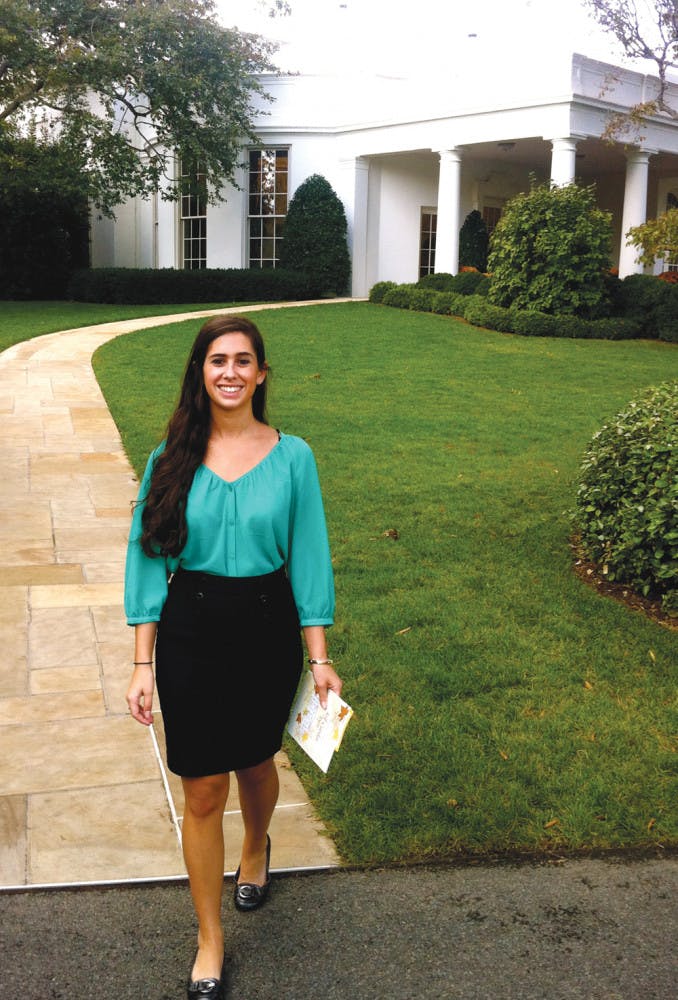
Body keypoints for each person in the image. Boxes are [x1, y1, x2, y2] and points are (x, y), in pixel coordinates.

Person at [124, 315, 342, 1000]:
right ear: (201, 373)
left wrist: (319, 658)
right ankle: (210, 938)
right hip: (190, 629)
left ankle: (255, 847)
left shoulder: (293, 456)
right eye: (217, 360)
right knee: (201, 787)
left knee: (255, 761)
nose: (230, 372)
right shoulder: (171, 459)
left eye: (243, 360)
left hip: (265, 627)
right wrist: (140, 661)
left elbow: (309, 556)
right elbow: (146, 559)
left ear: (261, 374)